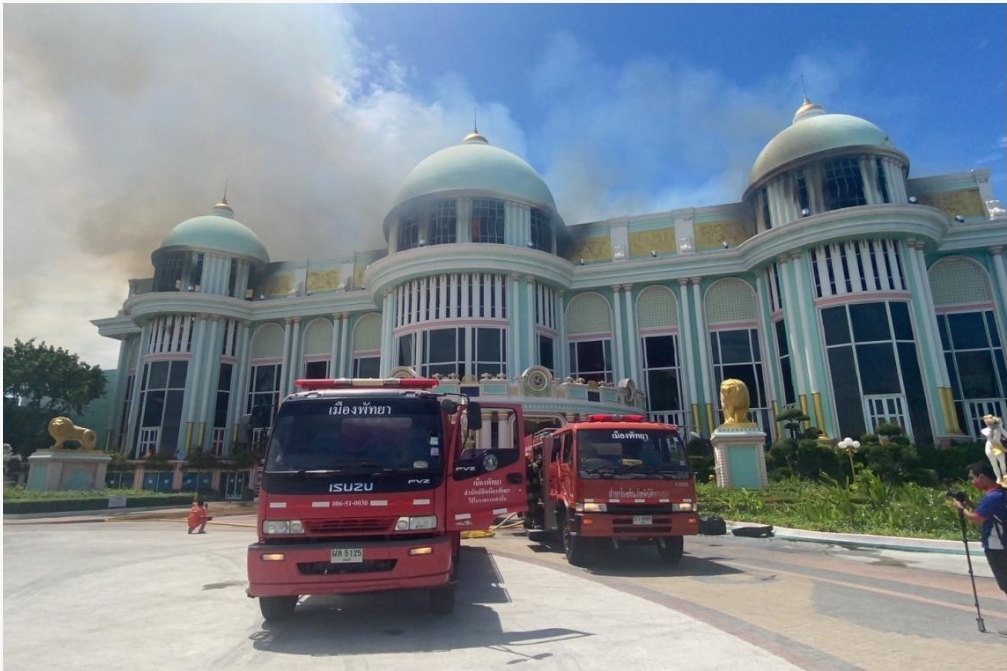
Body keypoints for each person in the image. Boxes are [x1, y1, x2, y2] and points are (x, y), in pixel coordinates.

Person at [951, 461, 1007, 637]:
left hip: (998, 547)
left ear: (982, 477)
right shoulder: (999, 493)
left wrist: (962, 509)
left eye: (972, 478)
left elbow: (977, 518)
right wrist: (970, 503)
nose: (972, 482)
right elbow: (988, 514)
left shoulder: (992, 497)